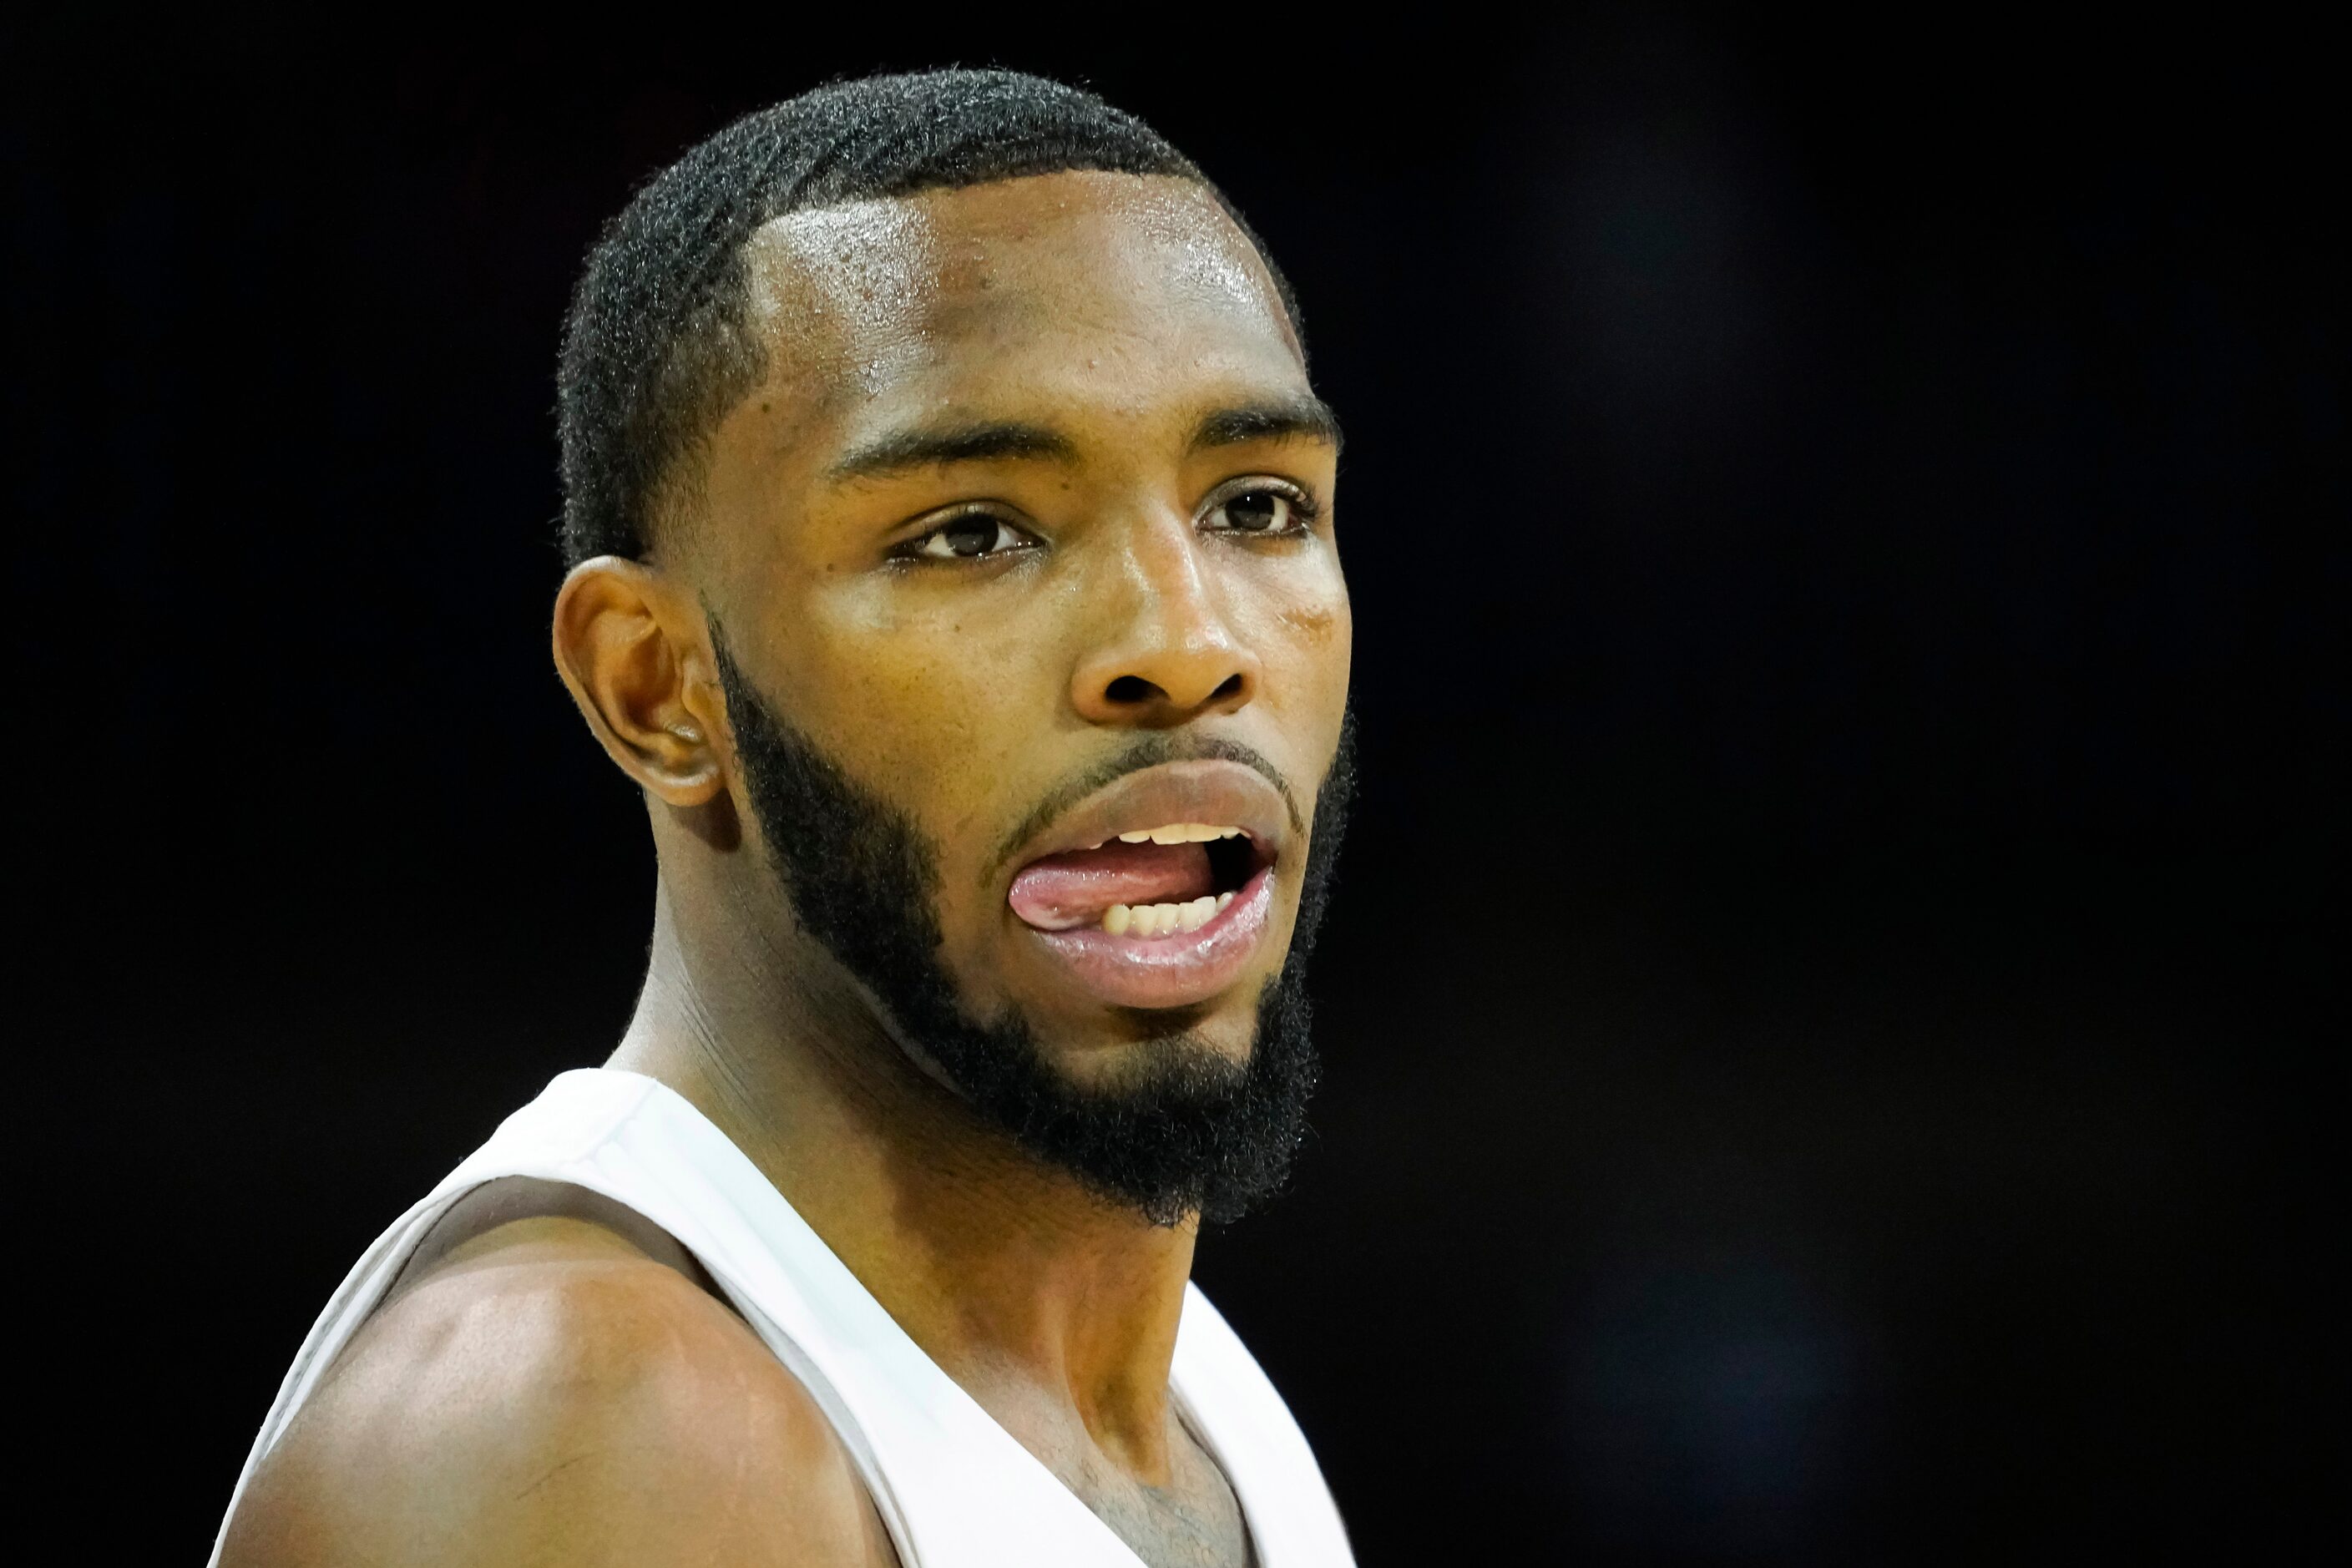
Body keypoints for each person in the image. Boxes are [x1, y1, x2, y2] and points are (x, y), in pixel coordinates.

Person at [215, 67, 1357, 1568]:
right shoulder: (585, 1420)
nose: (1186, 639)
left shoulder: (1198, 1405)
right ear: (658, 687)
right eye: (971, 532)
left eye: (1255, 505)